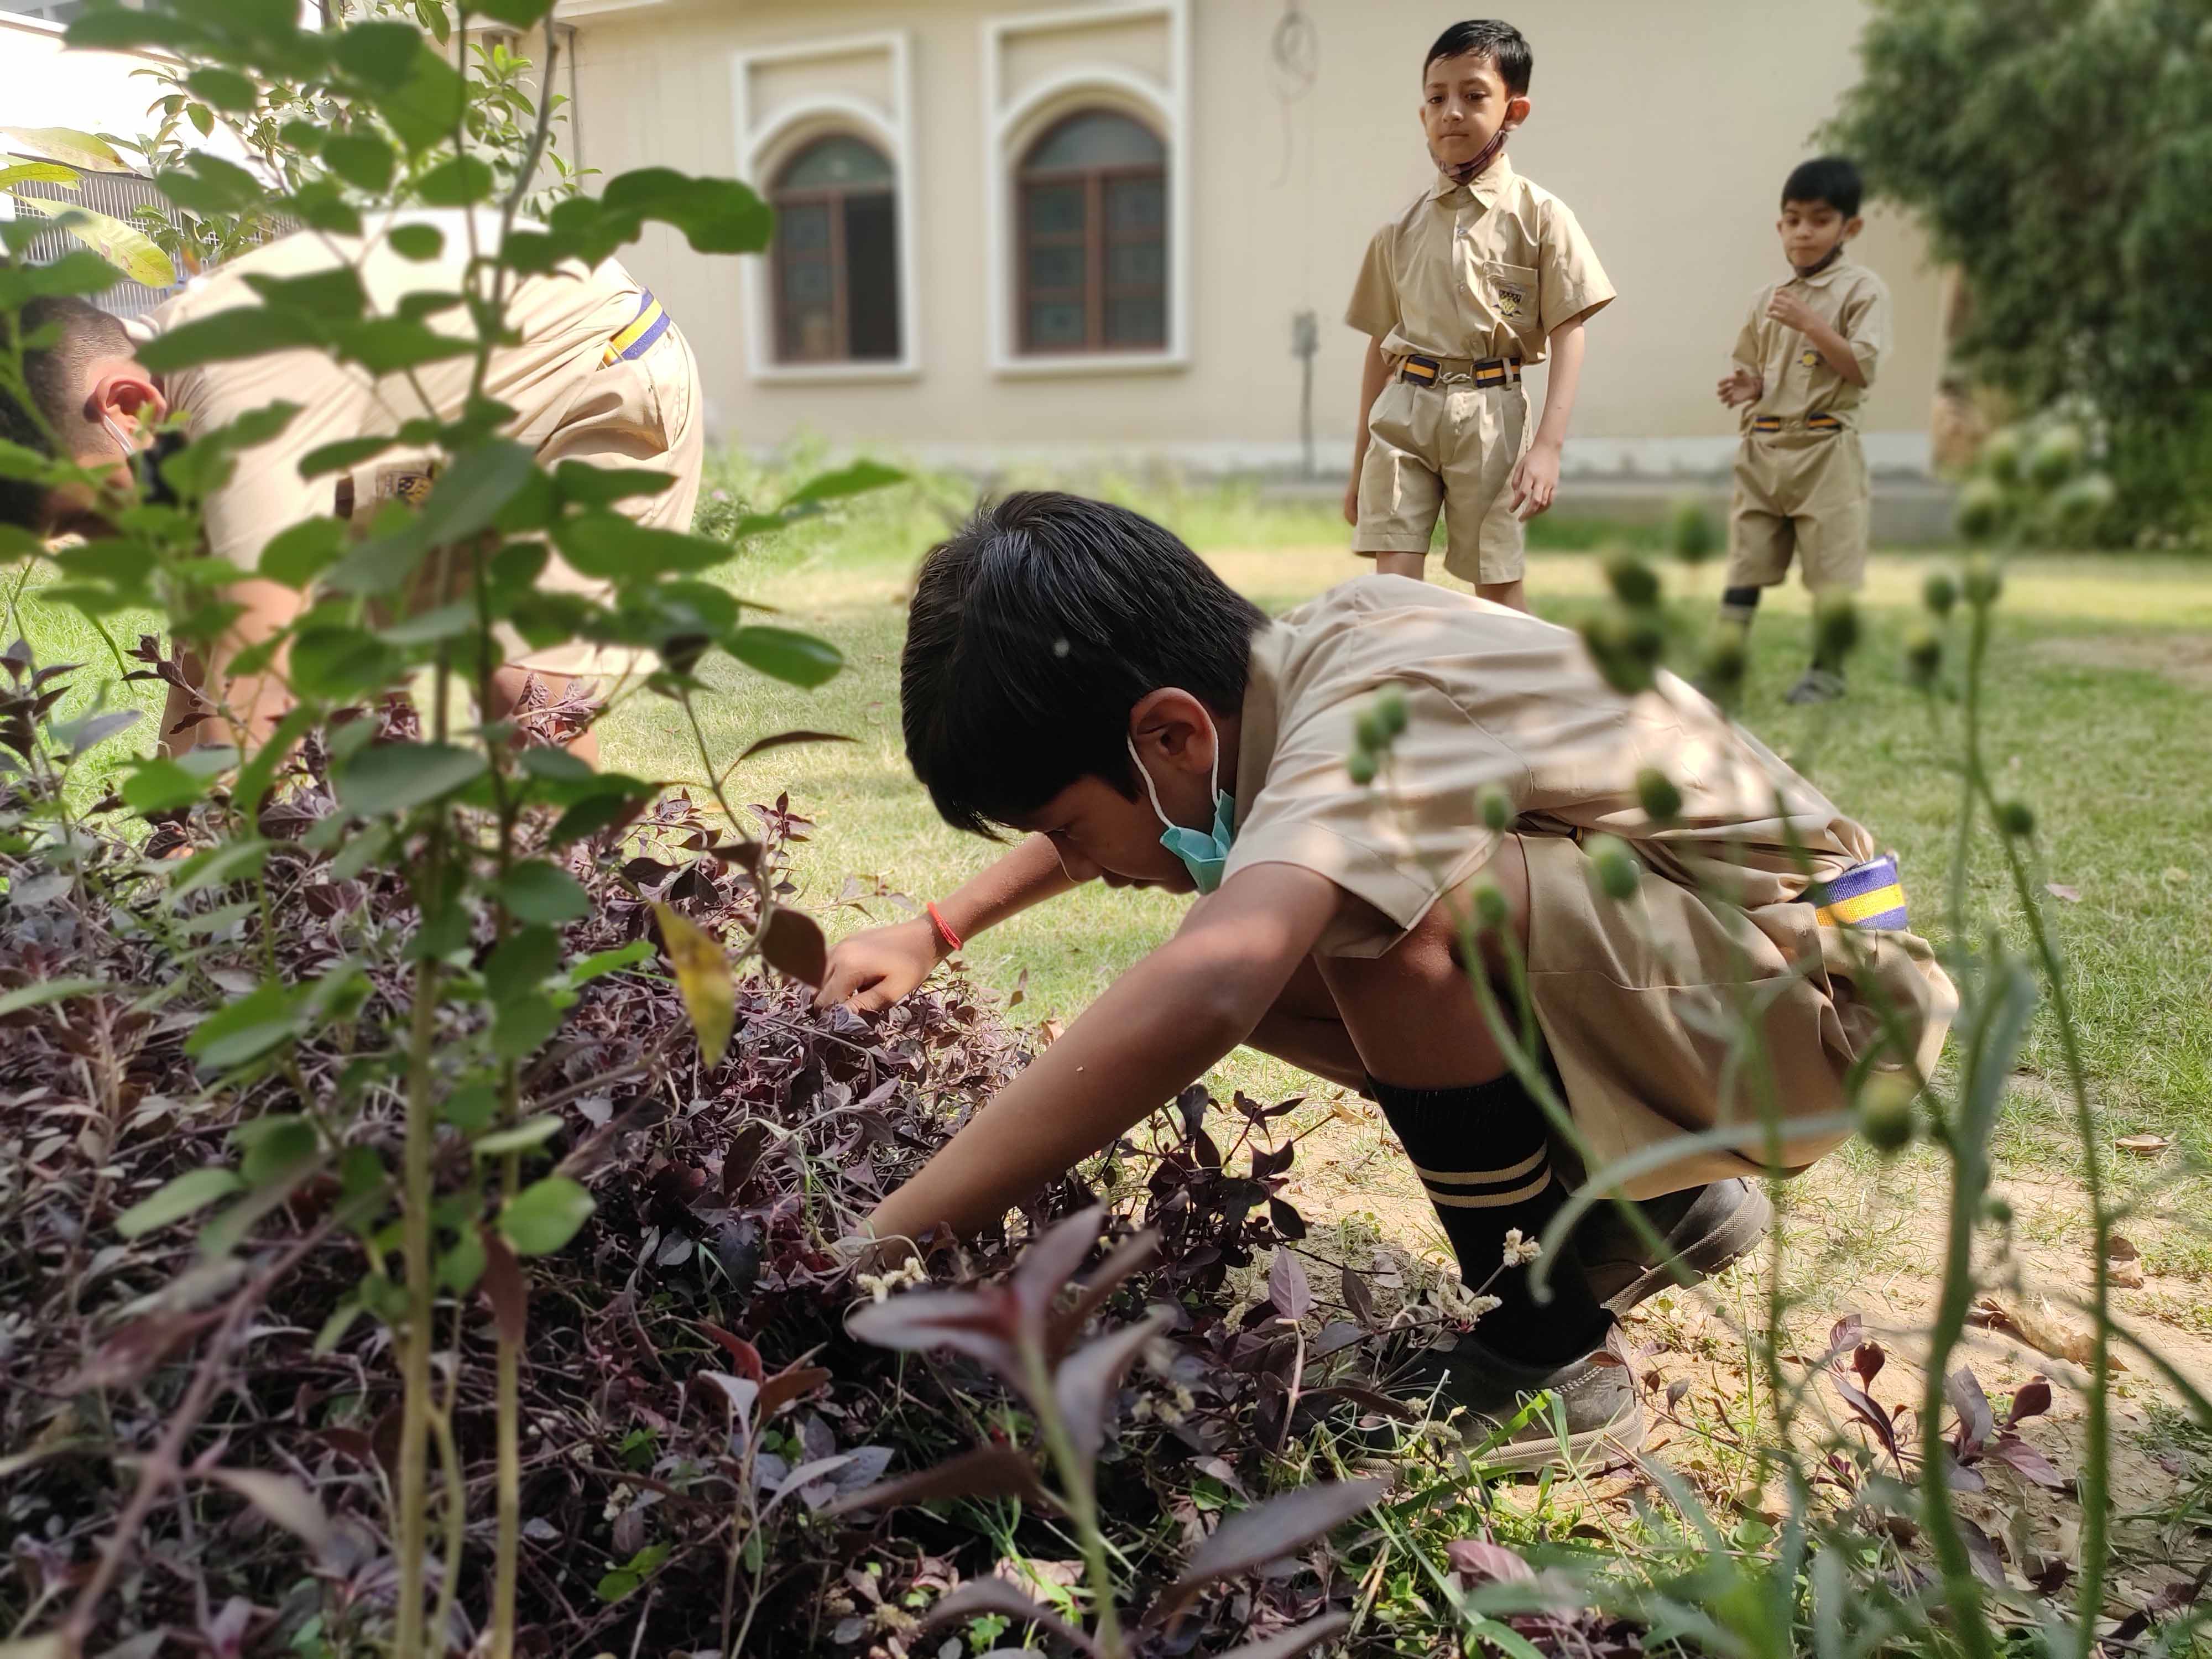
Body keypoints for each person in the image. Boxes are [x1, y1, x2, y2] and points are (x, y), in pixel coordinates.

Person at [818, 492, 1956, 1466]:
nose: (1087, 860)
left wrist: (878, 1245)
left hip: (1816, 1014)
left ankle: (1545, 1353)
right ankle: (1658, 1207)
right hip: (1722, 988)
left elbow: (1207, 988)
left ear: (1168, 738)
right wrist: (937, 926)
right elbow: (1159, 879)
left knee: (1351, 923)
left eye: (1067, 822)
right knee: (1285, 911)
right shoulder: (1293, 666)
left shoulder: (1364, 717)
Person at [0, 210, 704, 764]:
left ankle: (580, 920)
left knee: (525, 690)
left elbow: (254, 694)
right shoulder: (161, 397)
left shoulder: (239, 384)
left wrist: (200, 879)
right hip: (444, 438)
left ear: (128, 408)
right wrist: (172, 841)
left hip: (593, 376)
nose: (101, 543)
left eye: (92, 520)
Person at [1341, 19, 1613, 611]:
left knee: (1497, 587)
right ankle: (1399, 696)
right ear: (1422, 116)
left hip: (1492, 418)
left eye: (1473, 95)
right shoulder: (1399, 231)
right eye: (1437, 98)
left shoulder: (1540, 216)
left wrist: (1548, 447)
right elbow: (1377, 348)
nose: (1452, 113)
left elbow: (1570, 329)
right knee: (1391, 591)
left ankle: (1518, 699)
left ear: (1514, 111)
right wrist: (1359, 458)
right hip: (1404, 414)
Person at [1714, 156, 1890, 705]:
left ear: (1849, 228)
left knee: (1830, 565)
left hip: (1825, 449)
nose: (1803, 232)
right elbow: (1762, 370)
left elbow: (1861, 368)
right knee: (1746, 557)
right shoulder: (1766, 300)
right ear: (1779, 225)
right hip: (1765, 445)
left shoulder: (1862, 291)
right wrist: (1751, 388)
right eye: (1792, 219)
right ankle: (1725, 670)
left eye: (1819, 220)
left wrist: (1812, 324)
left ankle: (1827, 671)